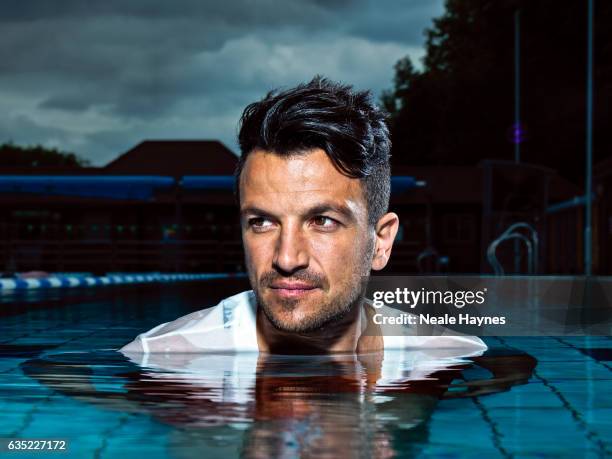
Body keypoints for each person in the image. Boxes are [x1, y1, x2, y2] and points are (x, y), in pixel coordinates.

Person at [120, 76, 486, 355]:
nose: (286, 258)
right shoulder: (167, 357)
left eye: (322, 221)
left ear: (381, 241)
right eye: (262, 222)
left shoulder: (446, 356)